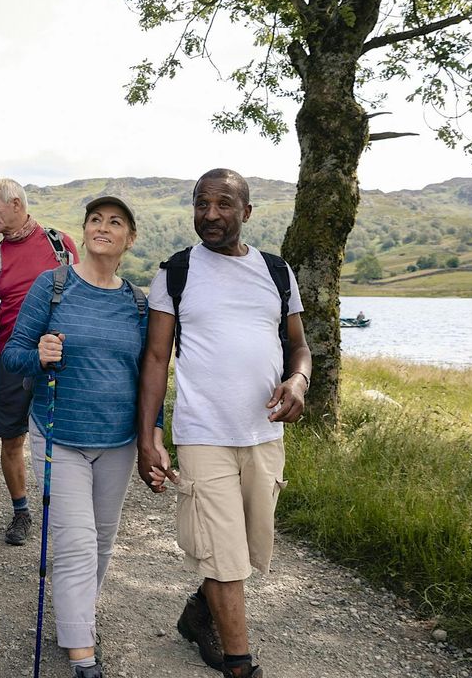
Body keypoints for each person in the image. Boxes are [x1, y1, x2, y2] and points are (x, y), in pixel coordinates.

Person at [137, 168, 311, 678]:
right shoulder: (176, 272)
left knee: (246, 550)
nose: (210, 215)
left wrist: (298, 381)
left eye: (223, 204)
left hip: (263, 434)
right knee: (222, 553)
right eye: (201, 204)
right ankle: (240, 664)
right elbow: (154, 358)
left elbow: (298, 347)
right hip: (202, 433)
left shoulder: (277, 272)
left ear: (247, 212)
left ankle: (198, 613)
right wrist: (151, 435)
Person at [3, 196, 152, 678]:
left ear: (130, 239)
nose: (102, 227)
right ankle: (80, 652)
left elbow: (149, 377)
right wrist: (40, 354)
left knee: (103, 541)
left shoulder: (138, 302)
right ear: (84, 230)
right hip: (59, 433)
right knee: (76, 541)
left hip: (119, 440)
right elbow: (12, 356)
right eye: (95, 220)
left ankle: (75, 620)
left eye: (115, 223)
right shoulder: (54, 285)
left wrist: (156, 434)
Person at [0, 178, 79, 546]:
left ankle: (69, 513)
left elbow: (80, 291)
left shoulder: (59, 244)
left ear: (16, 203)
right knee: (10, 438)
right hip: (11, 357)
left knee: (65, 438)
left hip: (57, 356)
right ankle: (22, 512)